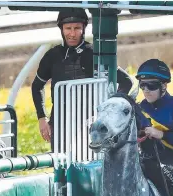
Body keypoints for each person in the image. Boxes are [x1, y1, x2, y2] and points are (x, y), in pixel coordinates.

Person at [31, 9, 133, 151]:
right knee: (61, 169)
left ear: (84, 28)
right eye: (68, 28)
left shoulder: (94, 53)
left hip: (89, 124)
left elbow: (127, 81)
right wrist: (42, 118)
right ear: (61, 29)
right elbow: (36, 86)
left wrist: (109, 111)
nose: (72, 34)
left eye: (77, 28)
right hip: (60, 124)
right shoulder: (52, 56)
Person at [135, 59, 173, 196]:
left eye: (151, 85)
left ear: (164, 86)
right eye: (142, 85)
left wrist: (161, 134)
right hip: (144, 161)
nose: (146, 90)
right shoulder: (140, 108)